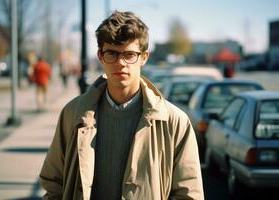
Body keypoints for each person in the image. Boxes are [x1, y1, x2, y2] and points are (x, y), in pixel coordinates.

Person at [40, 11, 204, 200]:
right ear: (101, 56)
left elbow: (189, 194)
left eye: (129, 54)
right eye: (112, 54)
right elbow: (53, 183)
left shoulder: (174, 121)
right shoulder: (74, 113)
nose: (121, 63)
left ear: (144, 57)